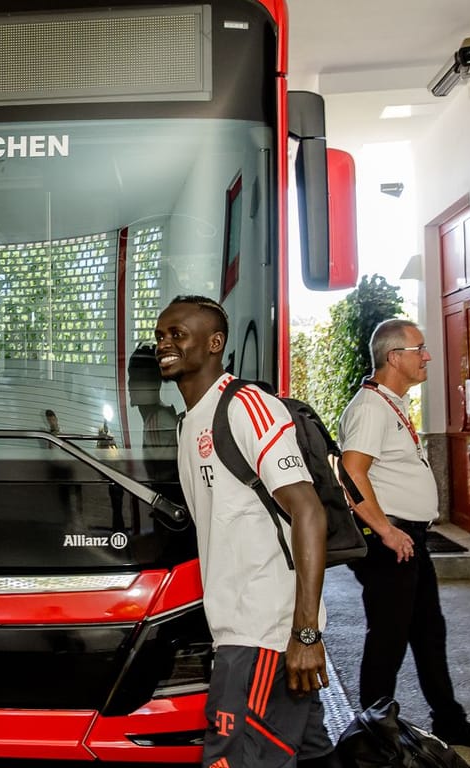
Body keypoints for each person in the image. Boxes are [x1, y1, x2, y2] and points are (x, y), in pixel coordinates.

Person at [155, 296, 336, 767]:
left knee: (233, 758)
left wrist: (306, 634)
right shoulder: (187, 425)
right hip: (240, 626)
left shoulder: (246, 406)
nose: (164, 344)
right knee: (307, 754)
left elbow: (308, 512)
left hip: (263, 631)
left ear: (215, 343)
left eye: (178, 334)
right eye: (160, 335)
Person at [338, 319, 470, 751]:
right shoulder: (369, 408)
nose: (427, 356)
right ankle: (370, 738)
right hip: (389, 542)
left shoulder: (389, 402)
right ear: (395, 357)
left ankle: (449, 720)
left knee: (429, 633)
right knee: (388, 641)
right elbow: (351, 474)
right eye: (420, 348)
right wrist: (387, 531)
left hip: (408, 540)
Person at [127, 343, 179, 448]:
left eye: (138, 379)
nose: (129, 384)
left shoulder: (158, 425)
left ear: (156, 383)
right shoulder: (154, 420)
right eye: (131, 377)